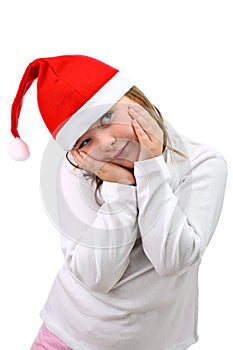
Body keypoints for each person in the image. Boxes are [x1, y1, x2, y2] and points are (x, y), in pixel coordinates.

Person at [8, 55, 227, 350]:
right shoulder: (77, 170)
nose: (106, 143)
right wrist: (119, 189)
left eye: (107, 118)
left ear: (134, 98)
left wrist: (150, 168)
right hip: (68, 336)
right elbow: (96, 277)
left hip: (156, 342)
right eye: (85, 141)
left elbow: (172, 260)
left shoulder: (203, 164)